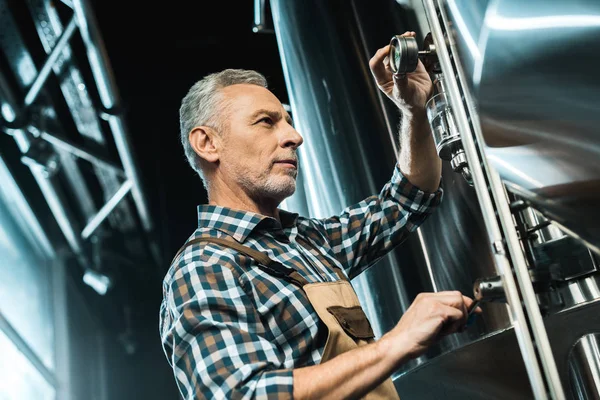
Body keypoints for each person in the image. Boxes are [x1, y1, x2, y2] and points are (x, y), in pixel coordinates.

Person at [159, 31, 478, 399]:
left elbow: (408, 199)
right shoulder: (206, 267)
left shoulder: (306, 242)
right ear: (208, 144)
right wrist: (397, 342)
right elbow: (245, 394)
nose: (294, 136)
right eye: (267, 121)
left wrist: (414, 110)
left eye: (288, 121)